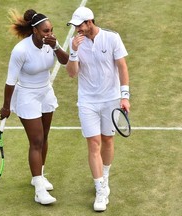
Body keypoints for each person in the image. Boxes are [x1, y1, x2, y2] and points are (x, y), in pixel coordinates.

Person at [0, 9, 69, 205]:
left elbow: (65, 61)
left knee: (45, 136)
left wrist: (56, 47)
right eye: (46, 31)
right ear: (35, 31)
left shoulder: (51, 43)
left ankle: (38, 176)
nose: (50, 34)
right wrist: (6, 107)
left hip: (46, 92)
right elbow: (10, 81)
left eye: (51, 30)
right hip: (27, 96)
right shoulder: (20, 51)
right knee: (36, 140)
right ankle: (39, 190)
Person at [66, 7, 130, 211]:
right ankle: (100, 189)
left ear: (90, 22)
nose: (77, 29)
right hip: (87, 101)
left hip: (110, 99)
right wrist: (74, 52)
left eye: (80, 25)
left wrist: (125, 96)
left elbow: (122, 66)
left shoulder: (112, 38)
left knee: (107, 140)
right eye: (75, 26)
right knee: (93, 144)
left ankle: (105, 177)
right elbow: (71, 74)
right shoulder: (75, 42)